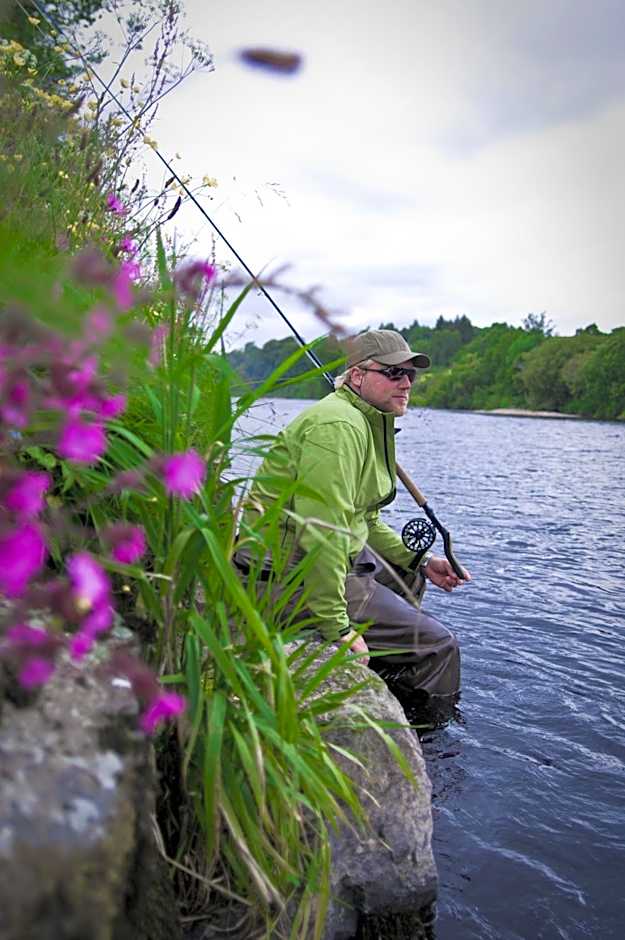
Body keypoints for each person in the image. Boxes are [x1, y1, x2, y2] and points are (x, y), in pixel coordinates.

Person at [237, 329, 470, 716]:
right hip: (282, 575)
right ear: (358, 376)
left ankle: (386, 667)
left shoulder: (365, 418)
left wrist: (422, 561)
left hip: (309, 557)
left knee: (408, 574)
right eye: (394, 374)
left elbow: (365, 518)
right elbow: (322, 536)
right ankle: (425, 738)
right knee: (440, 647)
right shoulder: (338, 427)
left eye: (411, 374)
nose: (407, 383)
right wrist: (338, 629)